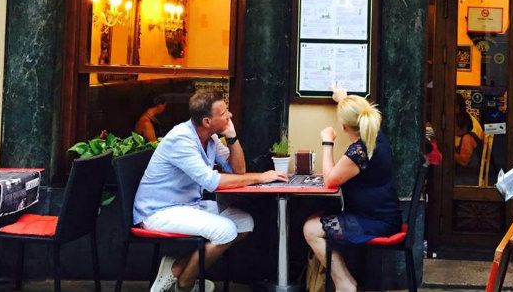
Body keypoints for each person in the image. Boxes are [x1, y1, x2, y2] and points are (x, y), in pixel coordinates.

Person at [134, 90, 287, 292]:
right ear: (207, 121)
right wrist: (260, 177)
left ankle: (177, 267)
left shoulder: (211, 139)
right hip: (159, 211)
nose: (229, 115)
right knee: (226, 230)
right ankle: (186, 283)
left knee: (243, 223)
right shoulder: (181, 140)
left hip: (189, 205)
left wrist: (231, 137)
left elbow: (238, 170)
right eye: (224, 113)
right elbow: (212, 182)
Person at [302, 90, 402, 292]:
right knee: (315, 219)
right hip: (383, 214)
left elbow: (330, 181)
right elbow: (361, 111)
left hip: (375, 220)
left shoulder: (359, 151)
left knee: (310, 229)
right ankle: (346, 282)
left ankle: (344, 284)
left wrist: (327, 142)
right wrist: (343, 99)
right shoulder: (377, 136)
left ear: (344, 126)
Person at [454, 107, 482, 185]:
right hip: (468, 177)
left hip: (468, 179)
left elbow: (464, 162)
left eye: (455, 125)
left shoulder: (467, 138)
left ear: (462, 127)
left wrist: (449, 152)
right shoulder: (471, 135)